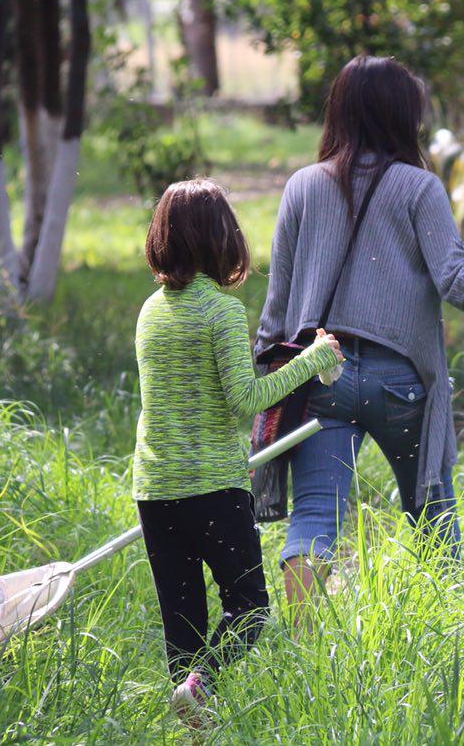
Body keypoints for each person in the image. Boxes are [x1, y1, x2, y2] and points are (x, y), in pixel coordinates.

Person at [254, 55, 464, 615]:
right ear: (401, 116)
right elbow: (461, 281)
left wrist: (268, 386)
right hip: (400, 385)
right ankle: (449, 636)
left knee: (315, 522)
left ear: (339, 111)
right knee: (434, 516)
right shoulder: (419, 188)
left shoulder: (302, 187)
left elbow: (278, 309)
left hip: (317, 375)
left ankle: (302, 655)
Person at [134, 179, 343, 723]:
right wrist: (311, 359)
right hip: (213, 489)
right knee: (249, 607)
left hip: (155, 490)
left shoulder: (150, 312)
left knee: (182, 625)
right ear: (220, 239)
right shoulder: (221, 312)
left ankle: (190, 718)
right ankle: (203, 686)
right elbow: (244, 401)